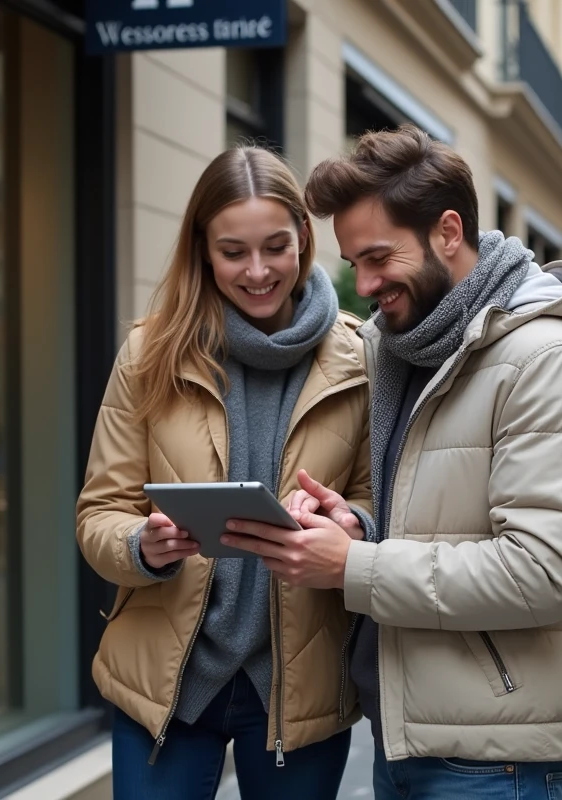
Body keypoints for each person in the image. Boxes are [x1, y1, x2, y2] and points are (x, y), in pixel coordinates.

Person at [221, 125, 562, 800]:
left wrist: (351, 566)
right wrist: (356, 526)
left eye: (379, 257)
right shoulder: (411, 349)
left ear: (447, 231)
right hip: (410, 734)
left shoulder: (549, 360)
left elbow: (541, 573)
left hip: (493, 759)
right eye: (354, 263)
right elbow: (434, 523)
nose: (365, 285)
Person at [76, 147, 372, 799]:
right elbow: (99, 513)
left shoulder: (361, 358)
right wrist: (142, 546)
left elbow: (377, 502)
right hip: (165, 683)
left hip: (299, 687)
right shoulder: (149, 354)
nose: (258, 271)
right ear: (203, 250)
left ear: (304, 236)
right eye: (233, 251)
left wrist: (353, 525)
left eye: (275, 246)